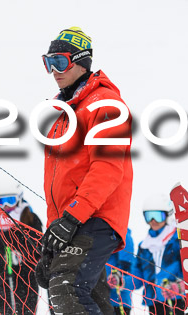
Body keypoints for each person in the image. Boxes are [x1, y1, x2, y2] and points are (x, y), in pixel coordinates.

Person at [35, 27, 133, 315]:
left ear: (81, 61)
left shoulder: (105, 105)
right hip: (75, 219)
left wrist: (71, 218)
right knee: (87, 298)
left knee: (67, 291)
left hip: (96, 216)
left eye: (60, 62)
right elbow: (59, 186)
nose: (54, 70)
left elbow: (108, 168)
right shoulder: (65, 116)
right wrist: (55, 235)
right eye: (48, 62)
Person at [0, 176, 43, 314]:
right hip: (0, 284)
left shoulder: (30, 219)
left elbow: (38, 248)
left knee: (24, 310)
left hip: (25, 281)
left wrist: (21, 254)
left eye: (10, 201)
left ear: (19, 198)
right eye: (0, 202)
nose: (5, 207)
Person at [135, 194, 185, 314]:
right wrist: (122, 281)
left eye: (158, 216)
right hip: (154, 301)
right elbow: (137, 273)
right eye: (149, 216)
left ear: (167, 216)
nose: (153, 221)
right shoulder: (144, 246)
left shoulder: (177, 240)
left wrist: (180, 286)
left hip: (175, 299)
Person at [105, 228, 135, 315]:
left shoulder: (122, 234)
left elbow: (126, 265)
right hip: (102, 297)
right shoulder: (102, 233)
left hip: (117, 299)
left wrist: (119, 277)